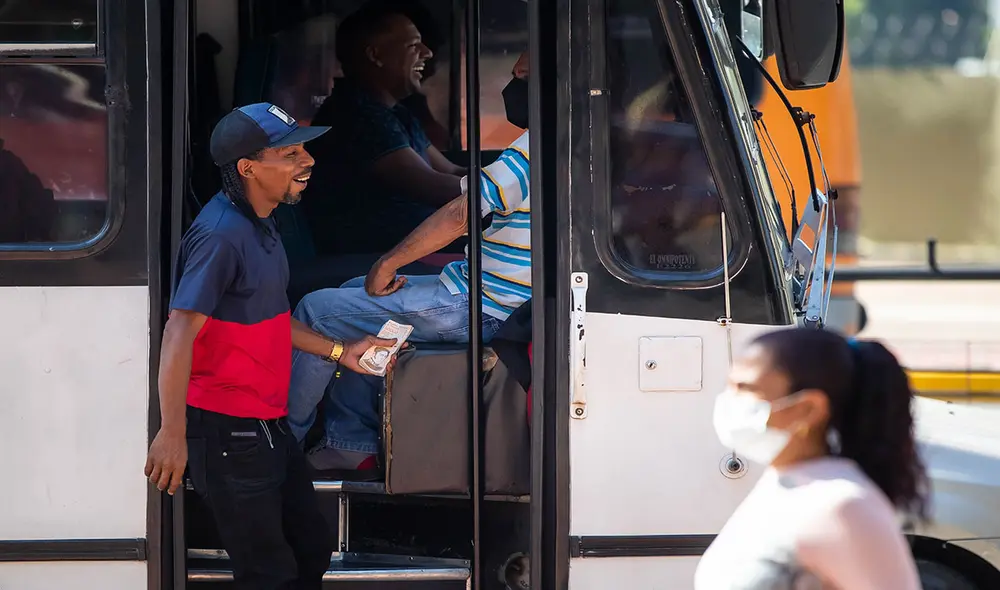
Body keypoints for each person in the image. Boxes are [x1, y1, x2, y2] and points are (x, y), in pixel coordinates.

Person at [144, 102, 399, 589]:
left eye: (304, 149)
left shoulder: (263, 221)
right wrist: (171, 432)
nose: (308, 161)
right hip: (227, 434)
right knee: (269, 573)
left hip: (267, 424)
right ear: (249, 168)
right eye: (289, 153)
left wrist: (340, 352)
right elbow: (178, 332)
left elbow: (269, 316)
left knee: (310, 548)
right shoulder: (220, 236)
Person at [287, 52, 531, 477]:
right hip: (494, 294)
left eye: (524, 75)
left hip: (482, 304)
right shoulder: (567, 143)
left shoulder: (532, 151)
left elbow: (461, 214)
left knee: (317, 312)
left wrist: (389, 262)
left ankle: (278, 452)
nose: (513, 85)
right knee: (351, 293)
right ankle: (350, 442)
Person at [695, 328, 927, 590]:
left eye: (746, 388)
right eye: (730, 386)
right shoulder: (782, 481)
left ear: (809, 408)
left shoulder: (844, 506)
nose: (730, 400)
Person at [300, 2, 467, 255]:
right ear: (375, 56)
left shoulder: (395, 112)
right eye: (413, 45)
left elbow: (451, 170)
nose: (427, 53)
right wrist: (509, 189)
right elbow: (435, 186)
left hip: (418, 242)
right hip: (381, 256)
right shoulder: (356, 116)